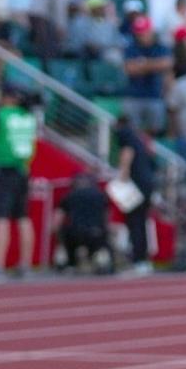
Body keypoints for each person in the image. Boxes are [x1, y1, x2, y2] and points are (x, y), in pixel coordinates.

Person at [0, 88, 38, 277]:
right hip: (23, 170)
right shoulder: (29, 117)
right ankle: (26, 263)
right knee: (23, 217)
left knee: (1, 217)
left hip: (4, 170)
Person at [113, 115, 157, 274]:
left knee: (135, 222)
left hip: (136, 185)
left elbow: (127, 153)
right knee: (140, 222)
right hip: (147, 184)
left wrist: (122, 176)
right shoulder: (140, 138)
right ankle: (142, 259)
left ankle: (138, 259)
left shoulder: (126, 135)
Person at [54, 172, 111, 274]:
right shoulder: (100, 195)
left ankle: (68, 263)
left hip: (75, 234)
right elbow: (106, 217)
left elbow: (58, 219)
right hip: (96, 233)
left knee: (65, 235)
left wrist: (56, 233)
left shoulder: (69, 195)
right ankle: (102, 262)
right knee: (102, 242)